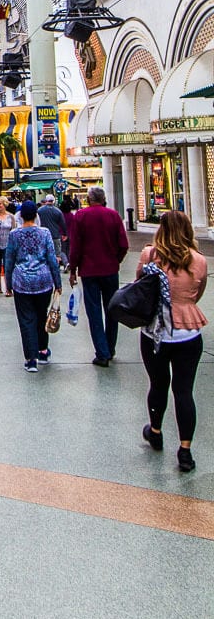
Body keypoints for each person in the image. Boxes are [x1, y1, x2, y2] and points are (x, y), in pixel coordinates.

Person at [137, 211, 207, 472]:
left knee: (158, 384)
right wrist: (182, 306)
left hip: (155, 331)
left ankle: (155, 431)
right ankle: (185, 450)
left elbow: (140, 286)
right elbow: (197, 292)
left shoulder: (149, 256)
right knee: (184, 391)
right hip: (188, 331)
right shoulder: (198, 261)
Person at [69, 186, 129, 367]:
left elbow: (75, 247)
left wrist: (73, 269)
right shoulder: (114, 216)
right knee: (112, 309)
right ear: (103, 199)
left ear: (88, 199)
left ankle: (102, 352)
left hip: (89, 271)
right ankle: (109, 348)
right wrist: (115, 260)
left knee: (94, 312)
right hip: (110, 269)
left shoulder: (80, 216)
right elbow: (123, 244)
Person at [4, 199, 62, 372]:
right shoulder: (44, 233)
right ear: (36, 215)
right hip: (43, 280)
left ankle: (31, 359)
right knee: (41, 315)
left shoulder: (14, 235)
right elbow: (52, 258)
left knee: (26, 319)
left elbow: (9, 260)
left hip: (21, 281)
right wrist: (57, 282)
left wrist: (8, 283)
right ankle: (43, 350)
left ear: (20, 216)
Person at [38, 194, 68, 268]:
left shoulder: (40, 210)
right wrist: (65, 234)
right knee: (57, 254)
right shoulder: (58, 211)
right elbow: (63, 224)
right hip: (55, 235)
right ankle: (56, 268)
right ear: (53, 201)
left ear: (46, 200)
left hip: (43, 236)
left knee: (44, 253)